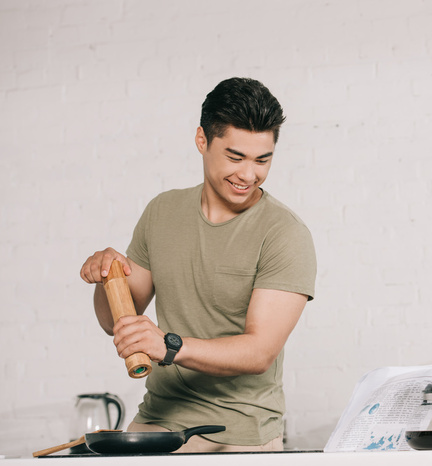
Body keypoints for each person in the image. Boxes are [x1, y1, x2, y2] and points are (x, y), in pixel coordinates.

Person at [79, 77, 317, 452]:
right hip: (160, 419)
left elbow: (259, 352)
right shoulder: (162, 212)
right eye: (235, 157)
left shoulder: (285, 233)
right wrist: (105, 277)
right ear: (202, 141)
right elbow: (115, 323)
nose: (249, 175)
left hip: (240, 430)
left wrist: (170, 347)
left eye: (262, 159)